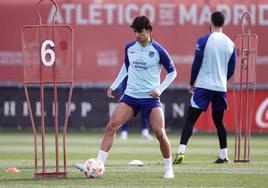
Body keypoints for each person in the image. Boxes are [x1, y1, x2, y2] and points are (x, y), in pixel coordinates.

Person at [78, 15, 177, 178]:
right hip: (130, 96)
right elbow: (126, 67)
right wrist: (114, 85)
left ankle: (168, 168)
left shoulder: (159, 50)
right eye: (135, 32)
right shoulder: (130, 47)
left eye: (141, 32)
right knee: (111, 127)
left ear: (149, 30)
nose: (137, 35)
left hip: (150, 99)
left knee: (160, 133)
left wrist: (159, 89)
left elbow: (173, 72)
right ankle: (97, 164)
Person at [173, 11, 236, 165]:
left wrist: (191, 82)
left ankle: (181, 153)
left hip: (203, 86)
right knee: (219, 121)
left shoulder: (203, 40)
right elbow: (232, 69)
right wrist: (222, 80)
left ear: (211, 22)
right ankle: (224, 155)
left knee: (190, 119)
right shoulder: (230, 43)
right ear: (223, 23)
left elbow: (196, 63)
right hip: (220, 87)